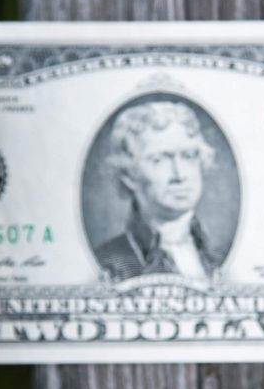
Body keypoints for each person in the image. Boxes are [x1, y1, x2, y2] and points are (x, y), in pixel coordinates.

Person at [95, 101, 224, 282]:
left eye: (188, 156)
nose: (179, 175)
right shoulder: (110, 262)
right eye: (159, 160)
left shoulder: (220, 257)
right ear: (128, 176)